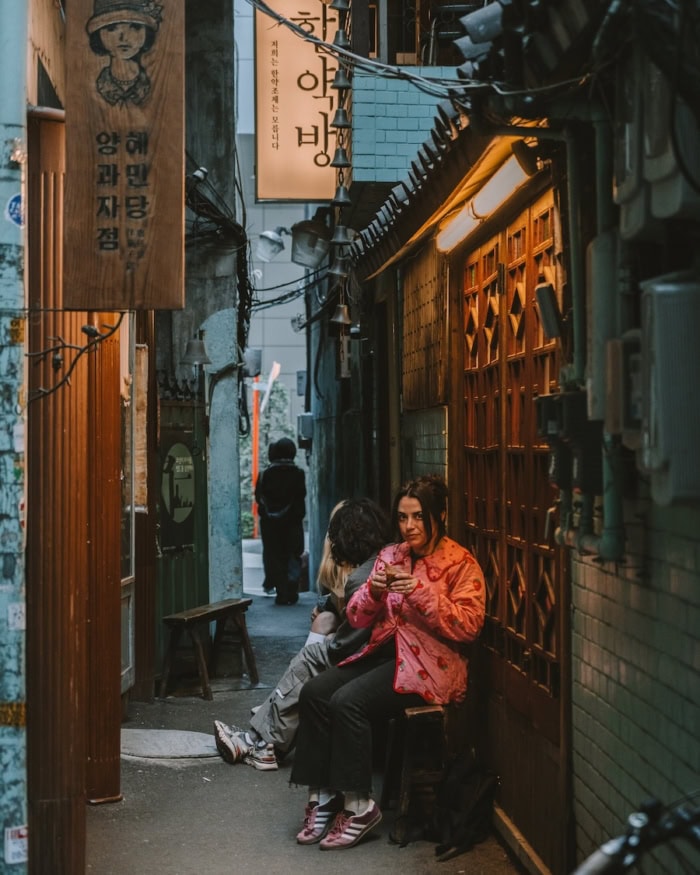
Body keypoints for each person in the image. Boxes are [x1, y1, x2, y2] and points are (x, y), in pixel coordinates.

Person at [289, 474, 486, 851]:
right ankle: (323, 797)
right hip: (385, 655)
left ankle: (359, 805)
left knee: (349, 702)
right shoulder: (392, 555)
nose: (409, 527)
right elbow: (358, 618)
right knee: (315, 692)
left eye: (418, 517)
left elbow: (469, 626)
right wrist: (373, 592)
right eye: (402, 518)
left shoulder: (460, 563)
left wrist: (421, 593)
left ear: (439, 516)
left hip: (431, 669)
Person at [213, 498, 392, 771]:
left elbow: (345, 644)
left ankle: (258, 741)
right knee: (315, 651)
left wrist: (330, 639)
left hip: (378, 658)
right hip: (389, 653)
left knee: (310, 660)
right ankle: (261, 739)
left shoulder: (361, 578)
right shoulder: (387, 558)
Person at [255, 437, 306, 605]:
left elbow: (258, 497)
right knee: (293, 555)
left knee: (274, 557)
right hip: (292, 524)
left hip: (271, 525)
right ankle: (292, 587)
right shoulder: (298, 474)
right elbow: (301, 497)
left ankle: (280, 590)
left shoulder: (265, 475)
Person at [86, 0, 162, 107]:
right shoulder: (92, 89)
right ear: (99, 34)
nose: (124, 38)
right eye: (111, 28)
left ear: (146, 32)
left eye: (135, 27)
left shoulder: (156, 87)